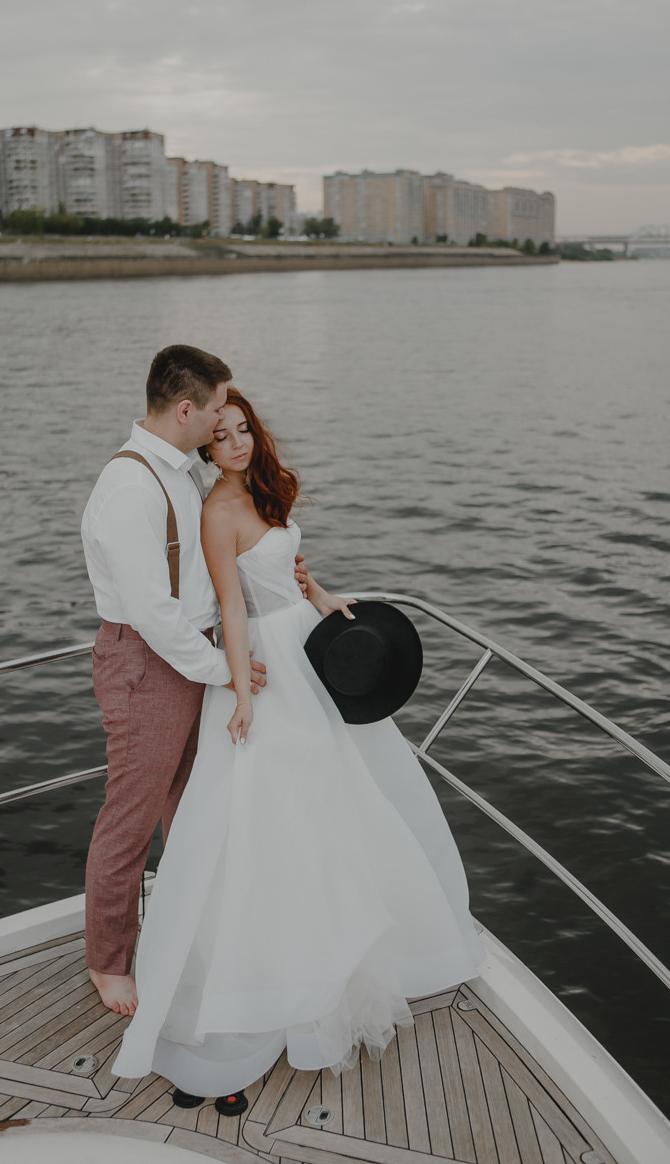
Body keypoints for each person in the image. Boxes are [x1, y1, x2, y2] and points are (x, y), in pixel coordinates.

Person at [112, 389, 484, 1106]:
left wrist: (323, 600)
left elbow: (287, 575)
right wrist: (244, 696)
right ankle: (239, 1020)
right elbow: (229, 606)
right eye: (221, 437)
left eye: (244, 430)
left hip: (306, 656)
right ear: (203, 448)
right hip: (266, 672)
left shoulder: (263, 490)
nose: (239, 444)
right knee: (259, 833)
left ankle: (325, 984)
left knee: (334, 822)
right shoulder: (216, 511)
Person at [81, 347, 307, 1018]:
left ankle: (193, 934)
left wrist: (280, 578)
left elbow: (211, 571)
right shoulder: (129, 487)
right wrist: (225, 672)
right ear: (186, 409)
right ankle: (109, 961)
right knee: (130, 816)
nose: (220, 421)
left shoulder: (179, 472)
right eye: (214, 409)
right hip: (149, 665)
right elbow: (151, 612)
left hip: (191, 654)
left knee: (190, 805)